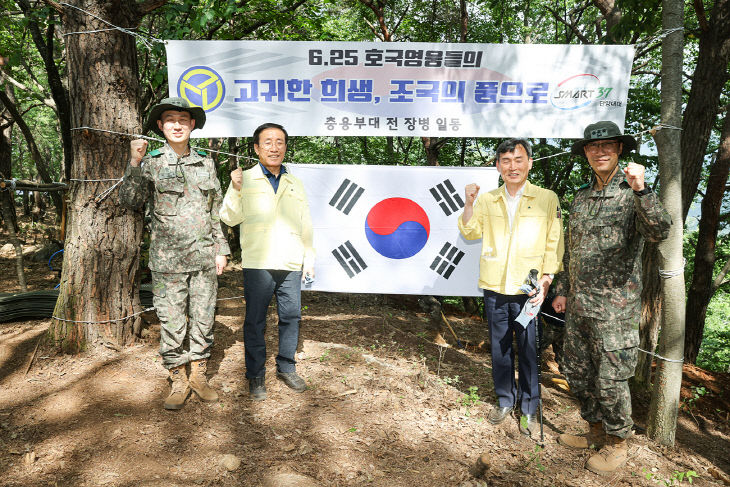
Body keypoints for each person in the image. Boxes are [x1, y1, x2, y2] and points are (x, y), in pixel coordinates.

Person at [552, 121, 671, 475]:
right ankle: (596, 431)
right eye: (593, 147)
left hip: (615, 309)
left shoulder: (632, 191)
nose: (600, 151)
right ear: (586, 153)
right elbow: (573, 250)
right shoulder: (581, 197)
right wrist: (563, 290)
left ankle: (618, 443)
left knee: (611, 377)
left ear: (619, 150)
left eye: (608, 145)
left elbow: (659, 230)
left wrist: (642, 190)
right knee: (578, 370)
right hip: (580, 305)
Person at [120, 97, 230, 410]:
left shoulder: (206, 163)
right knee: (171, 321)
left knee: (204, 316)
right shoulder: (152, 161)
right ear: (160, 126)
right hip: (167, 260)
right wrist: (135, 162)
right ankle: (177, 376)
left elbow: (215, 212)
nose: (177, 125)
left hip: (203, 257)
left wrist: (221, 250)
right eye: (170, 119)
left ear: (193, 124)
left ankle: (198, 374)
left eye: (183, 119)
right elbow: (130, 201)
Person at [458, 138, 564, 437]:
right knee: (500, 347)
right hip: (494, 286)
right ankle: (505, 399)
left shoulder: (546, 198)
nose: (512, 166)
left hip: (528, 289)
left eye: (518, 160)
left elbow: (554, 243)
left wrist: (545, 281)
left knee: (529, 349)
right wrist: (469, 203)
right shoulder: (488, 199)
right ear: (498, 166)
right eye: (506, 161)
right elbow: (470, 230)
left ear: (529, 163)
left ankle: (529, 407)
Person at [219, 123, 315, 401]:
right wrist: (236, 189)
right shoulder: (243, 178)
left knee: (290, 317)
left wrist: (309, 257)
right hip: (258, 262)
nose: (275, 147)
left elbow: (305, 222)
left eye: (280, 142)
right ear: (257, 148)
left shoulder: (294, 182)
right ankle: (255, 375)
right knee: (255, 320)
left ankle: (286, 367)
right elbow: (229, 217)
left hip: (290, 261)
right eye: (268, 142)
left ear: (285, 146)